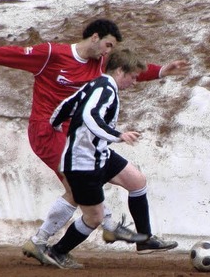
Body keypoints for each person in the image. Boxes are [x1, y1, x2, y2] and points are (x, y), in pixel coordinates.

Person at [0, 19, 190, 269]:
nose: (109, 52)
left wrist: (162, 70)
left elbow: (127, 72)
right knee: (77, 192)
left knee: (135, 180)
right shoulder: (52, 54)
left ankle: (137, 237)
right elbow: (13, 55)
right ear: (95, 37)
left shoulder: (101, 65)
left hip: (81, 137)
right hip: (48, 132)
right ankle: (46, 240)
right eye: (108, 45)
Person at [42, 49, 174, 269]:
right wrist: (118, 135)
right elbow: (89, 115)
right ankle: (56, 252)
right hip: (83, 162)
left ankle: (145, 239)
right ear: (120, 71)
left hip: (100, 154)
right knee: (93, 219)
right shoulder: (106, 89)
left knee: (137, 182)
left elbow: (67, 105)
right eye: (132, 77)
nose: (134, 82)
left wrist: (55, 123)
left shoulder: (96, 84)